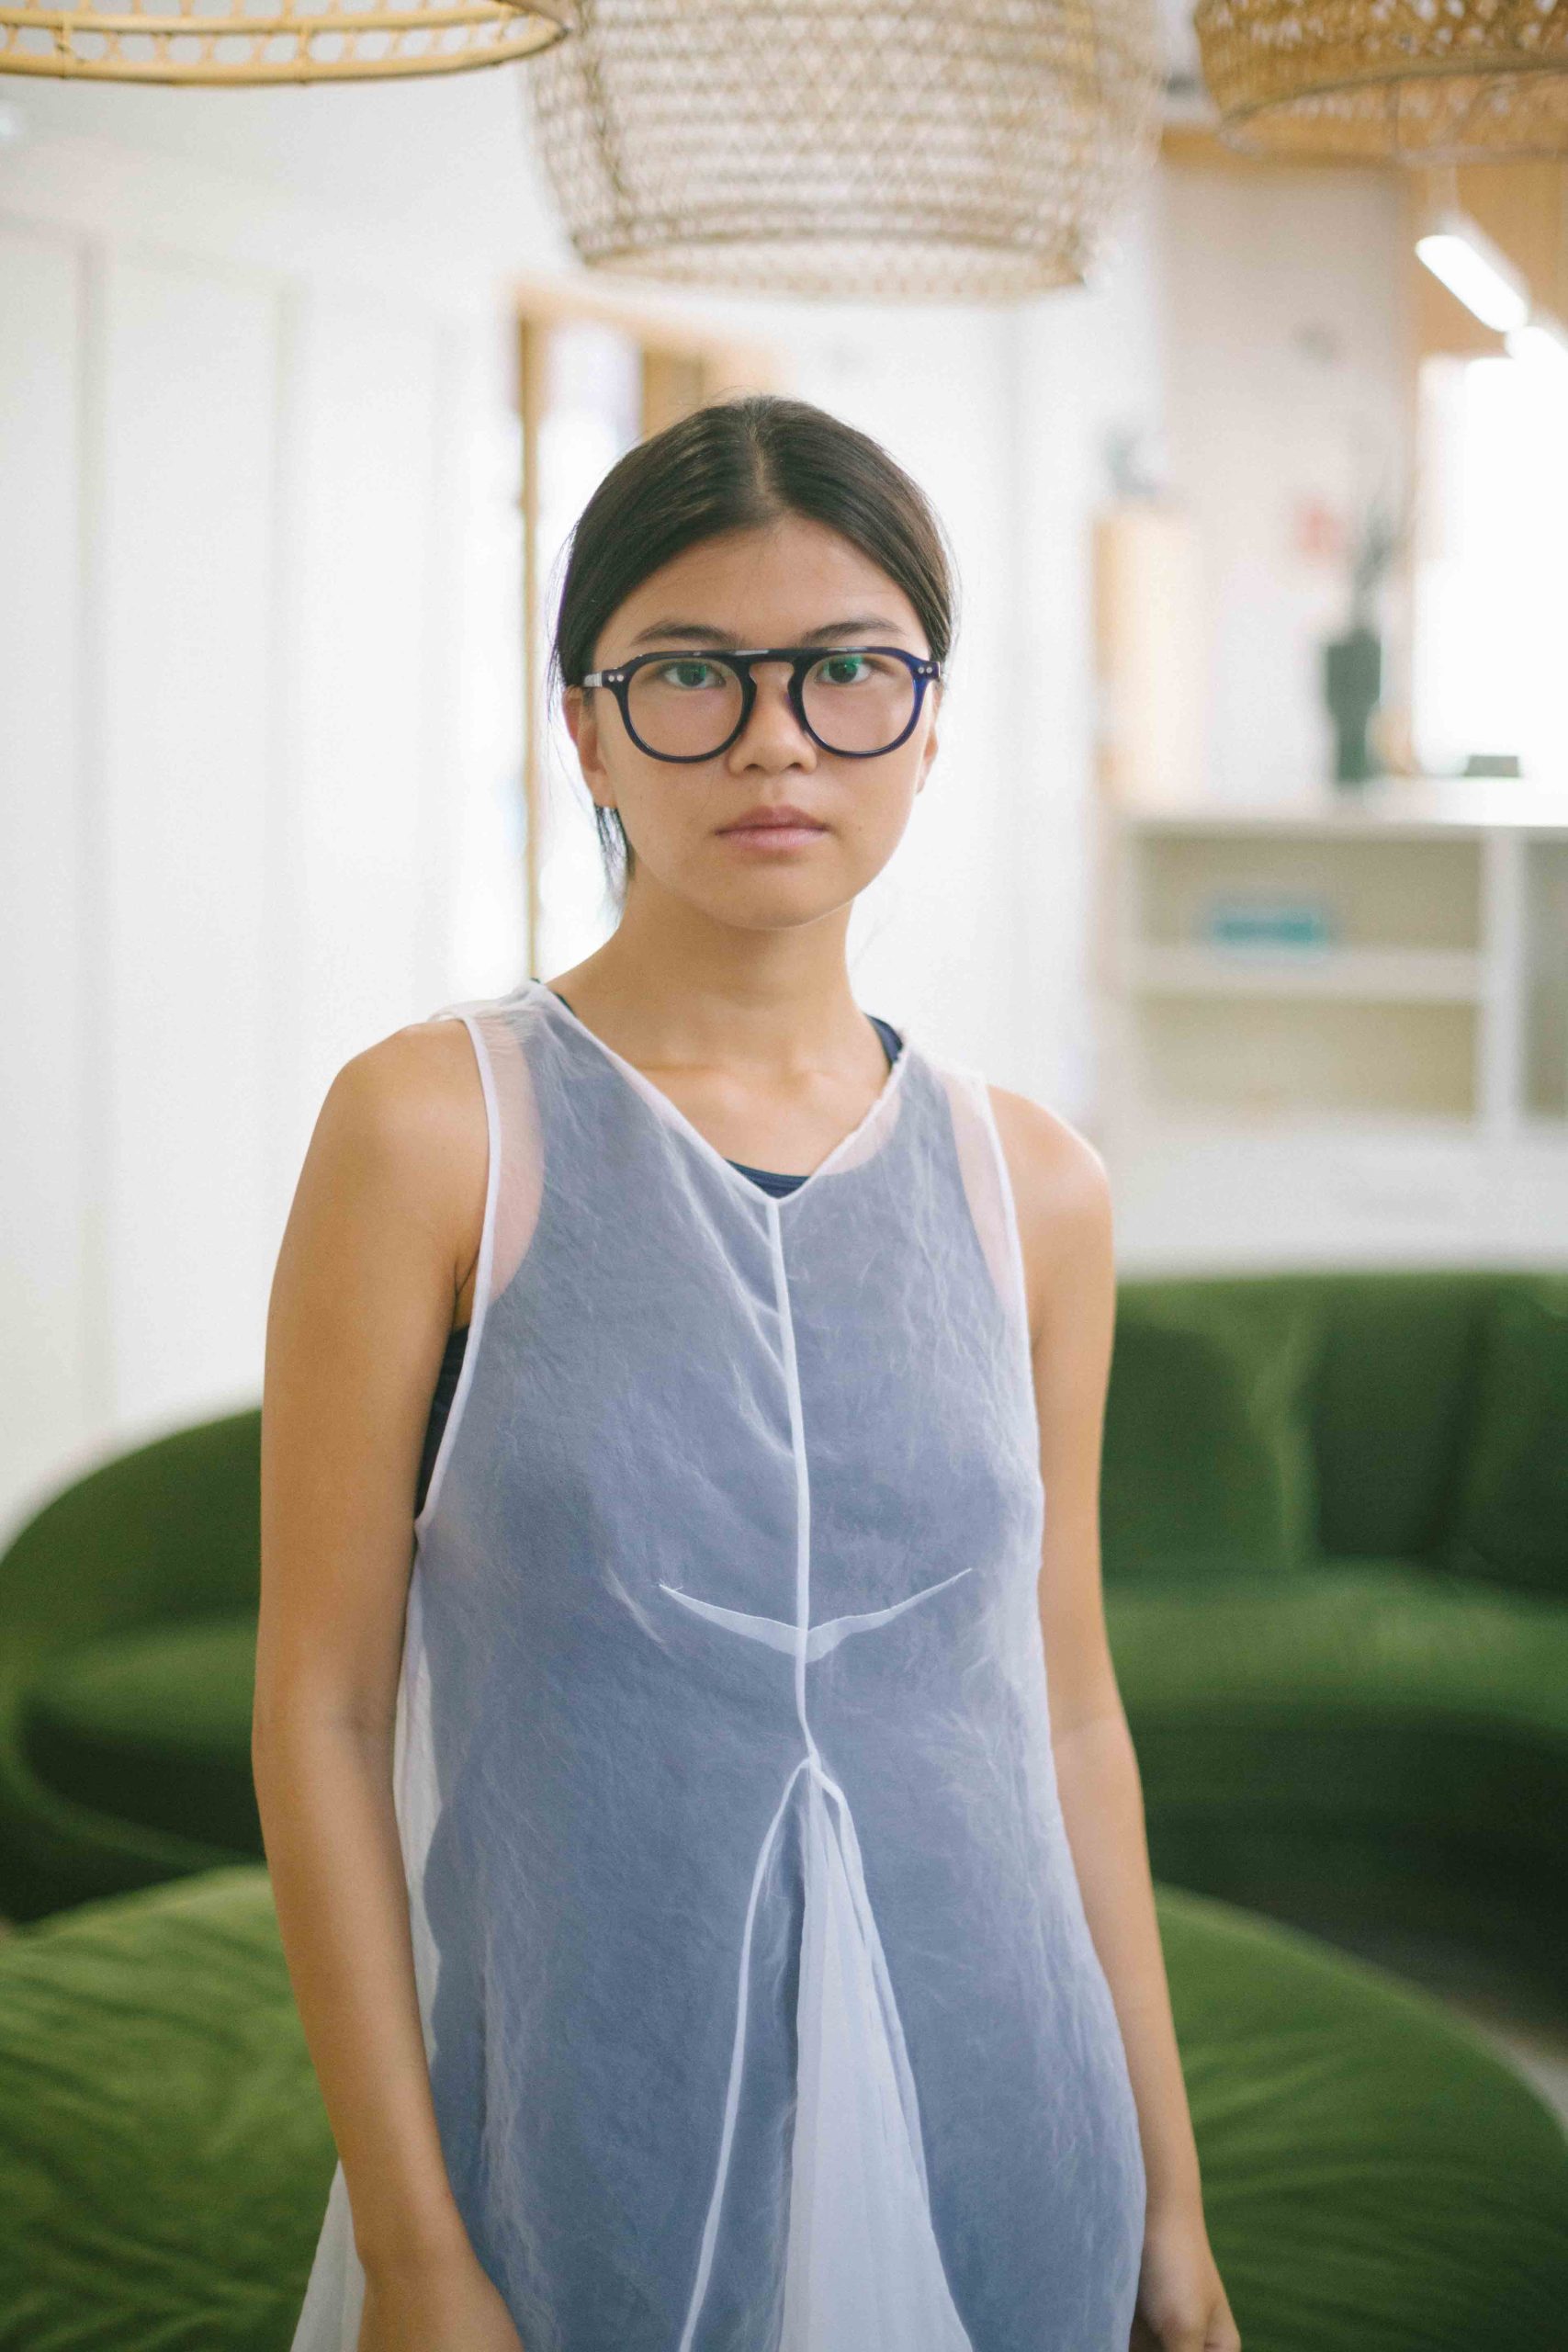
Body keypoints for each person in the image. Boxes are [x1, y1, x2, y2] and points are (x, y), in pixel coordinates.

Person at [256, 391, 1241, 2352]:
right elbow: (322, 1708)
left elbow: (1063, 1716)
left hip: (1009, 2123)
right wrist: (418, 2251)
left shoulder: (1034, 1183)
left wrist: (1172, 2196)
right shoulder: (430, 1129)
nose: (777, 738)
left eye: (847, 670)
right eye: (693, 672)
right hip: (575, 2143)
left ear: (929, 722)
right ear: (586, 725)